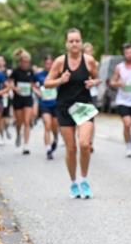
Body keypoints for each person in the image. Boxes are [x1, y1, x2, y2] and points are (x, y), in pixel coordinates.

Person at [43, 29, 103, 197]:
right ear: (66, 44)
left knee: (84, 144)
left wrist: (93, 82)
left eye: (77, 41)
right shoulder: (60, 62)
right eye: (71, 41)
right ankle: (73, 183)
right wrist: (60, 80)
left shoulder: (89, 61)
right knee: (71, 149)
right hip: (65, 108)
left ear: (81, 42)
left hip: (84, 106)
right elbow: (47, 83)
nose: (75, 44)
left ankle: (84, 180)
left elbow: (97, 79)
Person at [9, 49, 37, 155]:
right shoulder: (15, 71)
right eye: (23, 61)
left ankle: (26, 145)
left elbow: (34, 84)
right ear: (20, 61)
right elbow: (9, 83)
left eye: (27, 61)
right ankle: (18, 134)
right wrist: (15, 89)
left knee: (26, 121)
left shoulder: (31, 72)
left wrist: (34, 89)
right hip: (18, 99)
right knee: (19, 122)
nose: (25, 63)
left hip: (28, 98)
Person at [34, 54, 59, 159]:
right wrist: (37, 92)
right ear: (44, 64)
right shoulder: (39, 75)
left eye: (50, 63)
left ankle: (56, 138)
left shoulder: (57, 74)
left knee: (54, 126)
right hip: (44, 104)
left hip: (56, 104)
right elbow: (33, 85)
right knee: (47, 125)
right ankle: (48, 149)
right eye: (47, 63)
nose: (49, 65)